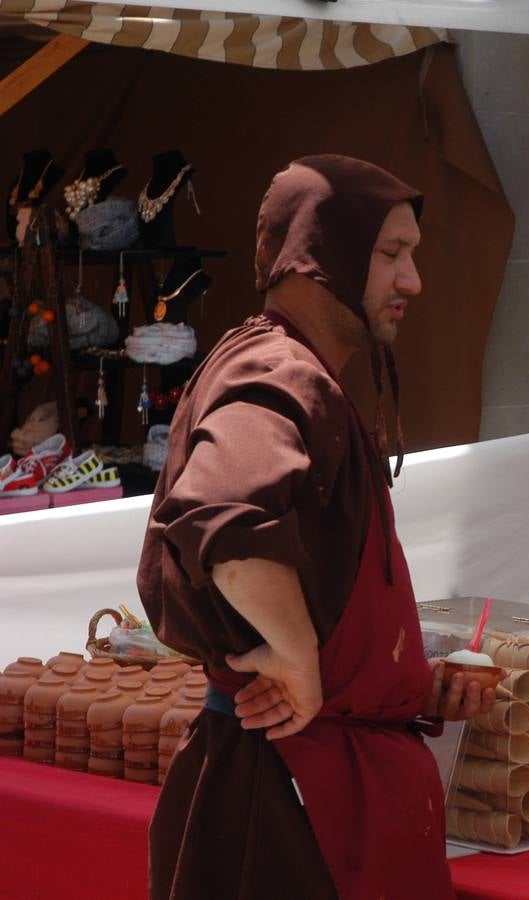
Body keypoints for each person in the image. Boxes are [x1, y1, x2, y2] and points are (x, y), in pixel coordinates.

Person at [137, 155, 492, 900]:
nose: (412, 282)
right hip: (289, 793)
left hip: (327, 784)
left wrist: (409, 680)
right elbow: (222, 514)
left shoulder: (299, 372)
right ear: (319, 257)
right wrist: (295, 657)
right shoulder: (277, 367)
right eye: (391, 255)